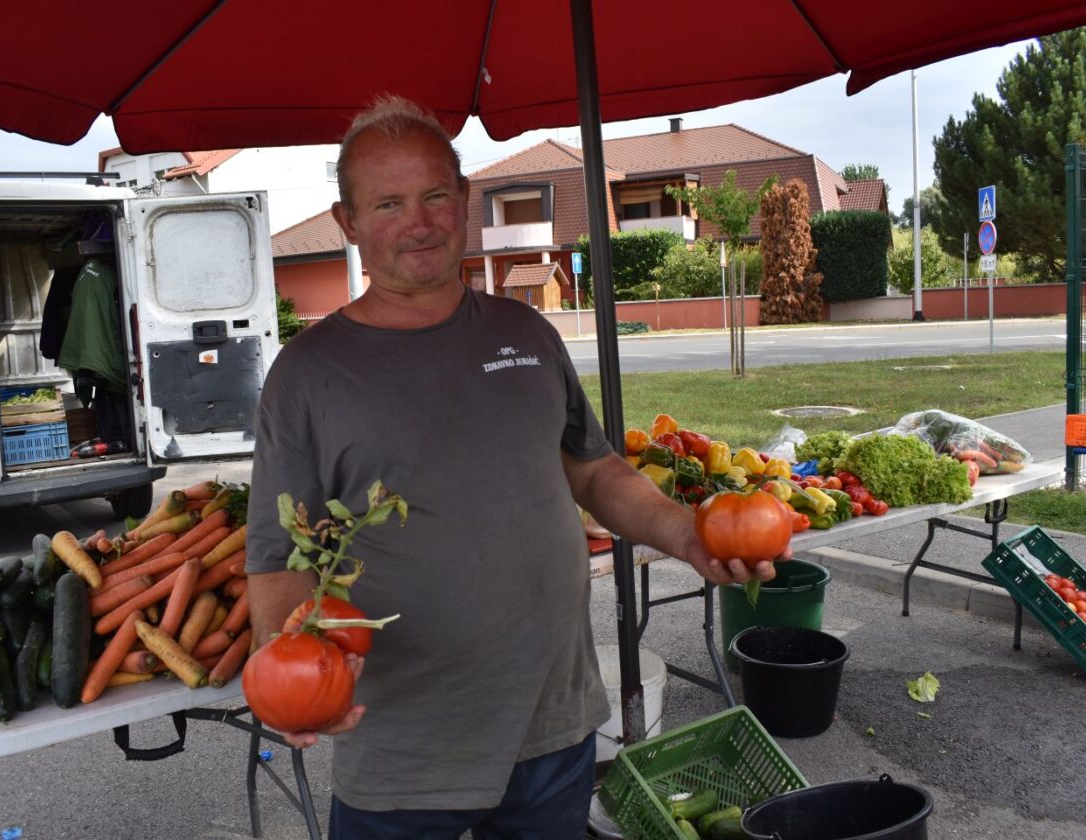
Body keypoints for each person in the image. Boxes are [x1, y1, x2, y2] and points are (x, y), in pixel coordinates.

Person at [244, 95, 785, 840]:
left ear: (464, 198)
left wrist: (688, 536)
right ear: (349, 223)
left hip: (552, 726)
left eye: (436, 195)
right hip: (403, 752)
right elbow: (277, 561)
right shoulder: (307, 375)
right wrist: (290, 682)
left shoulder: (527, 332)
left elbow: (596, 474)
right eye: (389, 203)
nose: (420, 221)